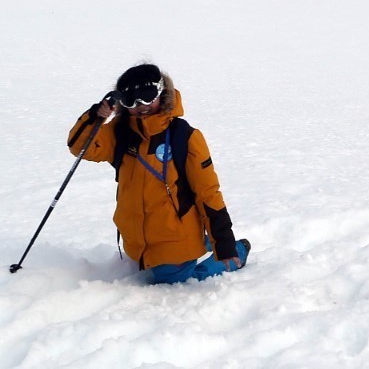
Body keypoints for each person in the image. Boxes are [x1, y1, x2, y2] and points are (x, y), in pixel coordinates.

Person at [67, 64, 248, 283]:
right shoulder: (120, 132)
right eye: (130, 100)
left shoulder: (184, 136)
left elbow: (207, 192)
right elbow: (80, 147)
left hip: (174, 238)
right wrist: (96, 116)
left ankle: (236, 250)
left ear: (162, 94)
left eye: (147, 96)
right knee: (157, 270)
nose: (140, 106)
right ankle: (203, 239)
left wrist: (225, 242)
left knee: (175, 281)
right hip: (138, 240)